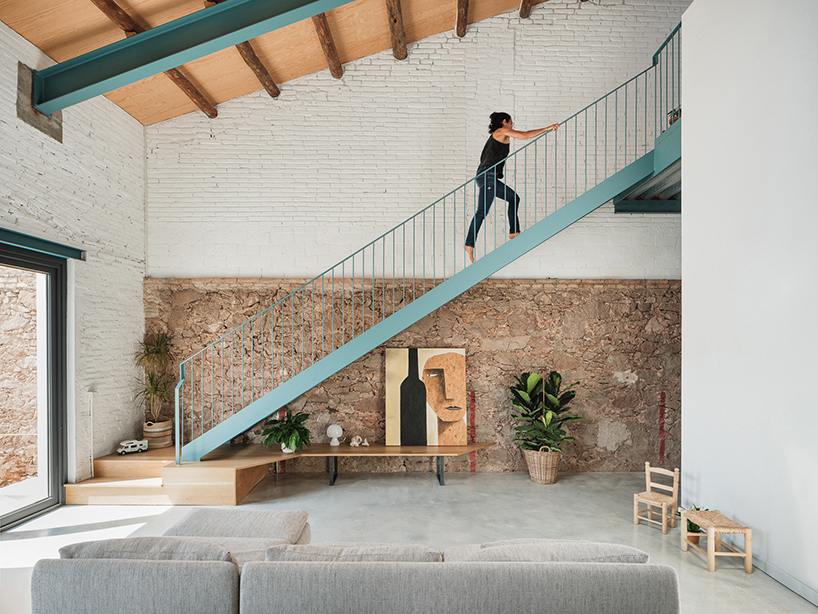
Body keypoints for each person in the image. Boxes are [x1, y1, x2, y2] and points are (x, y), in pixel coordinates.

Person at [464, 113, 559, 264]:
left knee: (514, 198)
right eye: (511, 123)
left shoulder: (501, 135)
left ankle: (514, 231)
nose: (512, 126)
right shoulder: (500, 131)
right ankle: (469, 244)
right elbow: (525, 135)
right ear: (504, 122)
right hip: (487, 175)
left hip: (490, 176)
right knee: (482, 211)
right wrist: (547, 128)